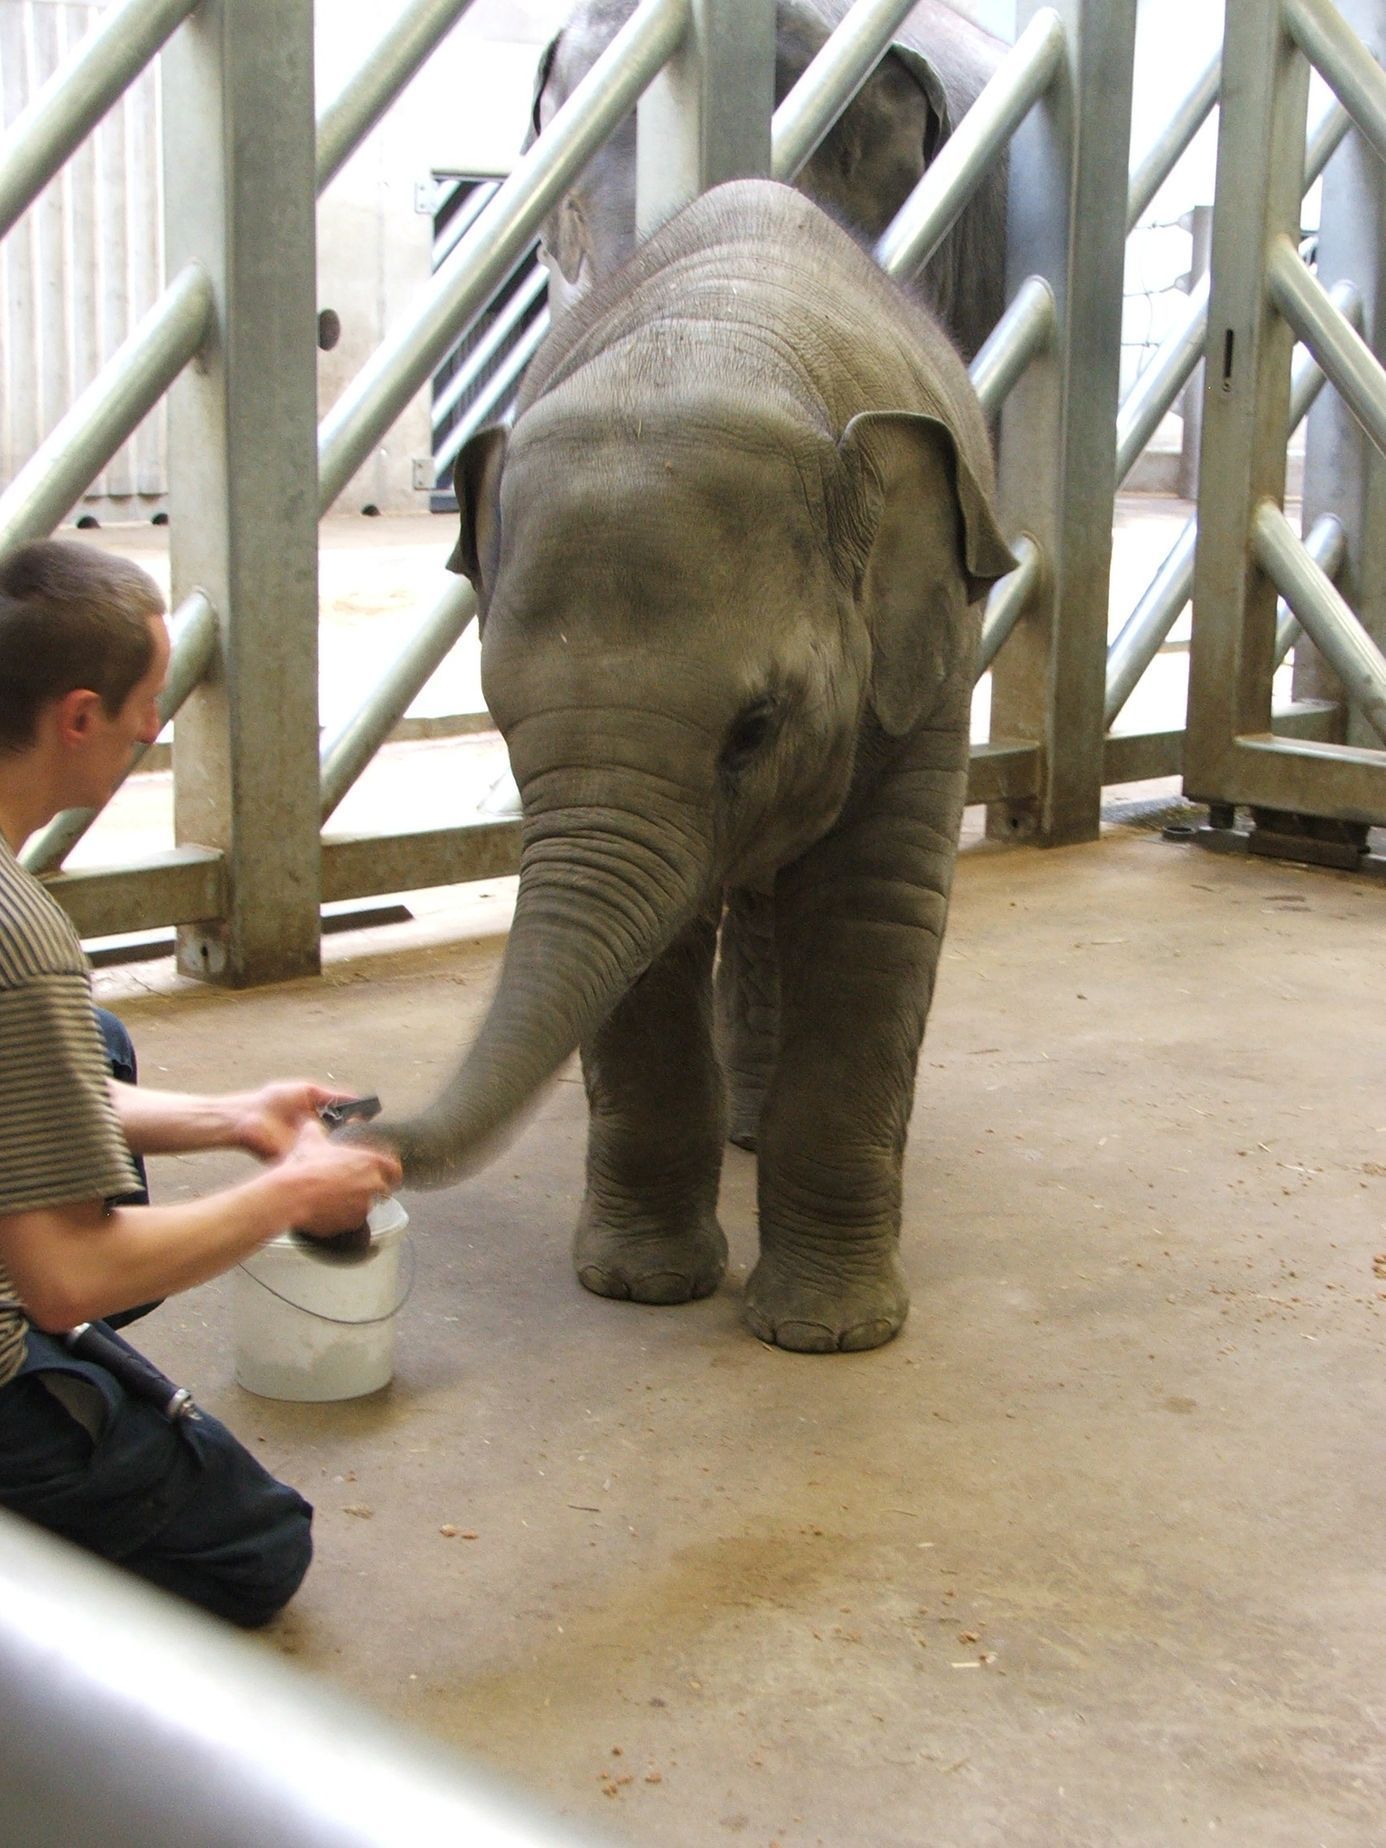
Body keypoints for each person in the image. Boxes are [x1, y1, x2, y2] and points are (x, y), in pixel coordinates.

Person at [0, 537, 402, 1626]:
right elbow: (65, 1280)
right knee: (257, 1548)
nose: (153, 730)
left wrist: (234, 1117)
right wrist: (287, 1195)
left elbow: (26, 1085)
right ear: (78, 716)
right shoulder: (19, 938)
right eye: (146, 704)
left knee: (95, 1041)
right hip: (24, 1317)